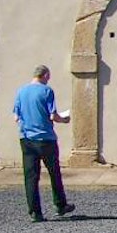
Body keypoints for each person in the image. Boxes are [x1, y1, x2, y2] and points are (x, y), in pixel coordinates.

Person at [12, 65, 74, 222]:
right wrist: (65, 119)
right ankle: (60, 204)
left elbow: (16, 117)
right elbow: (53, 116)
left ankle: (35, 212)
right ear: (45, 75)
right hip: (45, 138)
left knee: (31, 176)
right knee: (54, 173)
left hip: (26, 138)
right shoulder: (47, 91)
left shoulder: (21, 91)